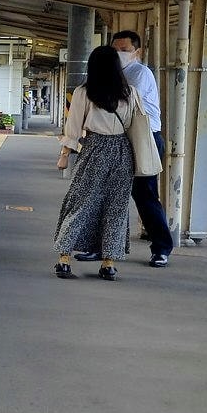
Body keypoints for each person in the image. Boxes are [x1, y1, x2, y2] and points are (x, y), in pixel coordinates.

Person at [74, 30, 172, 268]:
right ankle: (100, 247)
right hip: (115, 140)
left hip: (143, 139)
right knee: (105, 196)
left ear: (137, 52)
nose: (119, 54)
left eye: (125, 50)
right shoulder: (113, 74)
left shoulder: (139, 74)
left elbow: (115, 100)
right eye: (115, 50)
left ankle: (161, 248)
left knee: (145, 195)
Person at [53, 45, 147, 280]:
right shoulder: (130, 92)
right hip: (123, 153)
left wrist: (64, 154)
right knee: (116, 207)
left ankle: (64, 259)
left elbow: (73, 128)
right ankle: (108, 263)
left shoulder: (84, 92)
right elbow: (139, 125)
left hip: (95, 149)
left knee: (81, 202)